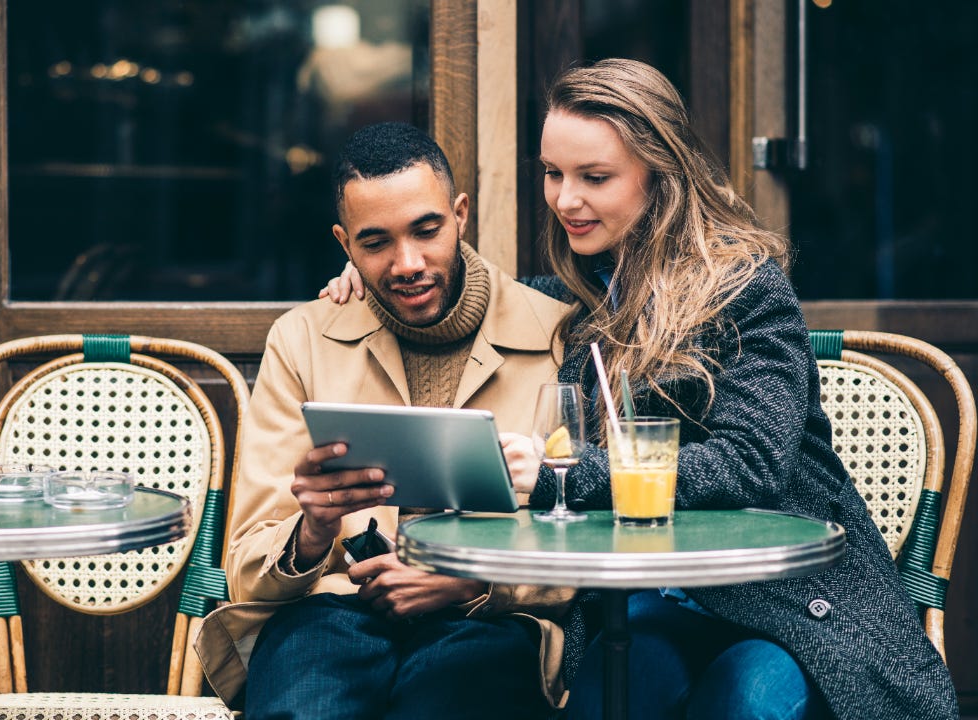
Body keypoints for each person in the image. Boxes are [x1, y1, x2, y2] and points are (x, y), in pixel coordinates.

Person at [321, 60, 957, 720]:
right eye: (553, 173)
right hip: (645, 604)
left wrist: (564, 473)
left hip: (784, 602)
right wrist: (385, 259)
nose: (566, 199)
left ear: (660, 175)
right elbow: (467, 290)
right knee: (603, 701)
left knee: (741, 702)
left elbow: (749, 468)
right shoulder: (576, 296)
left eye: (595, 178)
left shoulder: (744, 289)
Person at [194, 121, 575, 720]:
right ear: (345, 245)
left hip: (484, 617)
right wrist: (313, 531)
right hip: (330, 610)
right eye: (376, 243)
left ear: (461, 215)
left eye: (426, 230)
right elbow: (244, 570)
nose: (408, 263)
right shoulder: (303, 340)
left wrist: (471, 581)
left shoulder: (557, 335)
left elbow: (586, 533)